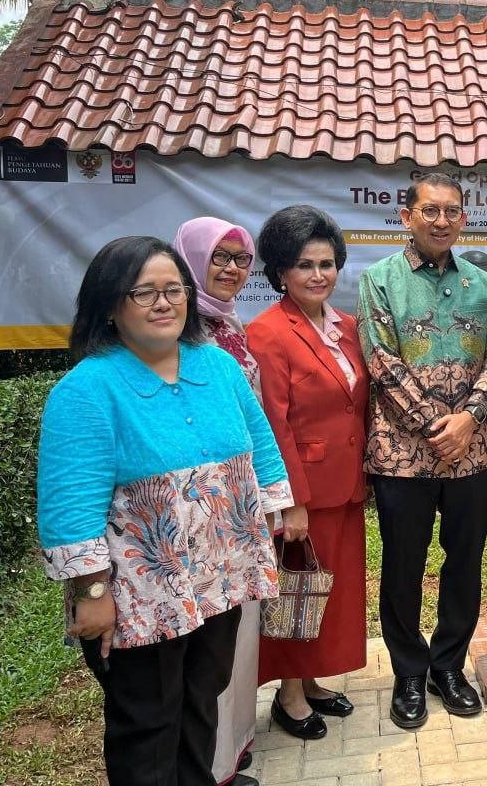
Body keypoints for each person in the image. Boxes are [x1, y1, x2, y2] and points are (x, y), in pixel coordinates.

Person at [37, 236, 291, 786]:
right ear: (109, 305)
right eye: (144, 292)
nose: (163, 302)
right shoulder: (86, 390)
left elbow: (261, 444)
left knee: (202, 700)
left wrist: (274, 511)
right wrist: (93, 595)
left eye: (173, 289)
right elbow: (70, 506)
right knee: (147, 724)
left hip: (220, 578)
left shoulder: (218, 366)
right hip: (139, 596)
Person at [358, 173, 487, 730]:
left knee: (464, 563)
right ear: (407, 216)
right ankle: (409, 673)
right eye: (430, 211)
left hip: (475, 450)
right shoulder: (379, 281)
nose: (441, 221)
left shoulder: (481, 285)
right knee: (403, 566)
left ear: (463, 219)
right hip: (404, 454)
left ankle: (448, 666)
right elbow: (381, 361)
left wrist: (468, 420)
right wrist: (435, 425)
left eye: (451, 212)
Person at [248, 206, 369, 740]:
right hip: (305, 493)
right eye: (304, 265)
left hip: (345, 485)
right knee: (296, 589)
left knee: (331, 590)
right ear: (280, 273)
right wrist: (290, 500)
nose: (319, 275)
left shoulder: (346, 326)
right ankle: (290, 694)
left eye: (327, 263)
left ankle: (314, 679)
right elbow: (273, 424)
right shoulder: (268, 333)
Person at [174, 216, 267, 786]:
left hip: (242, 502)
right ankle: (207, 768)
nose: (232, 269)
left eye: (240, 258)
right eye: (220, 257)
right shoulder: (182, 329)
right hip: (196, 511)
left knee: (237, 634)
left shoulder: (230, 323)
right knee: (206, 647)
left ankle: (229, 752)